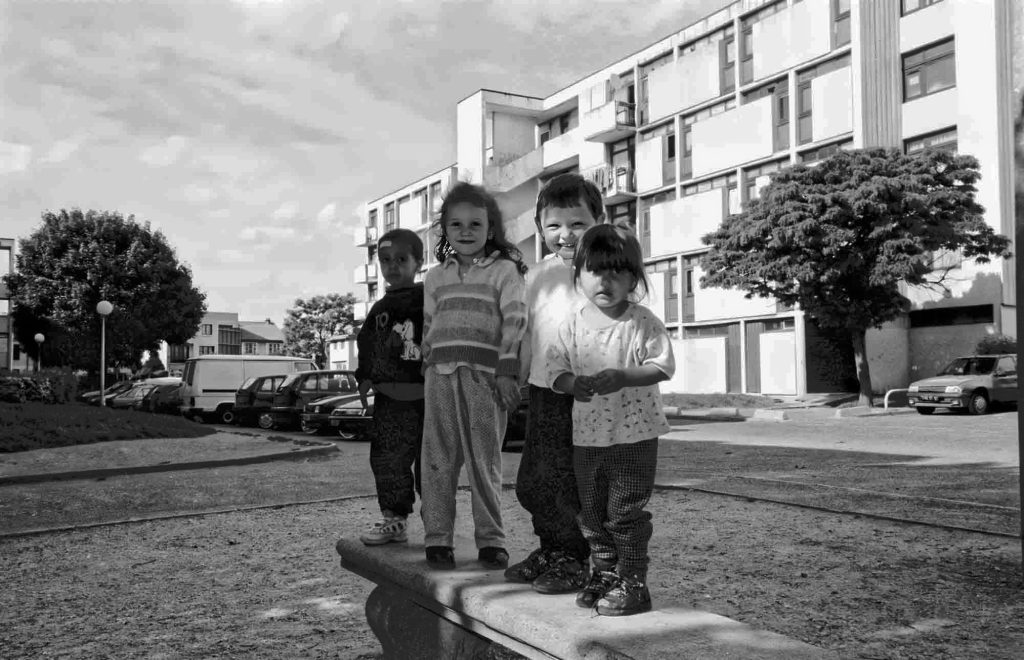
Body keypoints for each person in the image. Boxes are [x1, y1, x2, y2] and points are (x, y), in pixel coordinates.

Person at [546, 224, 675, 616]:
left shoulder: (641, 322)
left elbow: (662, 366)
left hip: (634, 436)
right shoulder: (571, 323)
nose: (606, 280)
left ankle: (634, 580)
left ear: (634, 278)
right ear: (578, 275)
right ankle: (603, 570)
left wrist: (623, 377)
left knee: (626, 512)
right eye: (595, 270)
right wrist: (573, 385)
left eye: (617, 271)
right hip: (588, 438)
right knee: (592, 511)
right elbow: (556, 370)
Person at [419, 182, 528, 570]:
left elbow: (516, 321)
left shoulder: (505, 272)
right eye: (456, 224)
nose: (466, 232)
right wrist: (426, 360)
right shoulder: (435, 277)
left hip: (486, 377)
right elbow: (430, 325)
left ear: (490, 228)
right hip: (440, 377)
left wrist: (508, 370)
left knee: (484, 460)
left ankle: (492, 541)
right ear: (444, 230)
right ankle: (437, 539)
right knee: (437, 459)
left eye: (475, 224)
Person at [504, 173, 604, 594]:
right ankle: (552, 546)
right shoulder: (536, 277)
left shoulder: (604, 271)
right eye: (554, 226)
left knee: (573, 481)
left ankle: (578, 558)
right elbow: (526, 333)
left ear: (599, 220)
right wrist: (513, 377)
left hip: (586, 395)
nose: (565, 235)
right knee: (534, 480)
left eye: (578, 224)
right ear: (540, 228)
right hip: (544, 392)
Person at [355, 229, 426, 546]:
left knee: (432, 464)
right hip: (388, 401)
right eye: (385, 260)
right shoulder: (378, 309)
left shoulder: (428, 299)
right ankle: (394, 520)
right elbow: (365, 344)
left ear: (418, 262)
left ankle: (438, 524)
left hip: (426, 398)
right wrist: (363, 378)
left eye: (401, 259)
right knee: (387, 461)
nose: (393, 266)